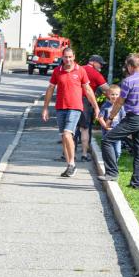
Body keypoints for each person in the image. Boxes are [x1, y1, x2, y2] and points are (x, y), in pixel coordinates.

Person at [98, 53, 139, 190]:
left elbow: (119, 102)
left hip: (133, 118)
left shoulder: (129, 81)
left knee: (107, 140)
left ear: (131, 66)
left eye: (127, 66)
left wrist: (110, 118)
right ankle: (136, 183)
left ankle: (112, 173)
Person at [41, 46, 100, 178]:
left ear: (74, 57)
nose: (67, 59)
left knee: (68, 134)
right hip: (60, 107)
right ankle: (69, 166)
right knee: (64, 137)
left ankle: (72, 163)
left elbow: (88, 90)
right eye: (65, 57)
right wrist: (45, 108)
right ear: (62, 57)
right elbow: (50, 89)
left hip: (75, 107)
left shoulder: (80, 71)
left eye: (70, 57)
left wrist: (96, 106)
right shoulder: (57, 71)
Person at [78, 55, 108, 162]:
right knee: (85, 128)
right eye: (100, 64)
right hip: (86, 102)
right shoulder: (96, 74)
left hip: (73, 101)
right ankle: (84, 154)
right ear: (94, 62)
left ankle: (66, 154)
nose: (101, 66)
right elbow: (107, 90)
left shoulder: (79, 69)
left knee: (72, 128)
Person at [98, 85, 126, 161]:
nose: (114, 96)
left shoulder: (121, 106)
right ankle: (110, 167)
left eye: (117, 94)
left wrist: (122, 128)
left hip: (117, 131)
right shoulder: (105, 106)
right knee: (108, 151)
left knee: (117, 152)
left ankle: (114, 164)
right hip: (107, 132)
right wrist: (105, 126)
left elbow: (123, 117)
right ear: (108, 95)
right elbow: (100, 117)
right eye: (112, 94)